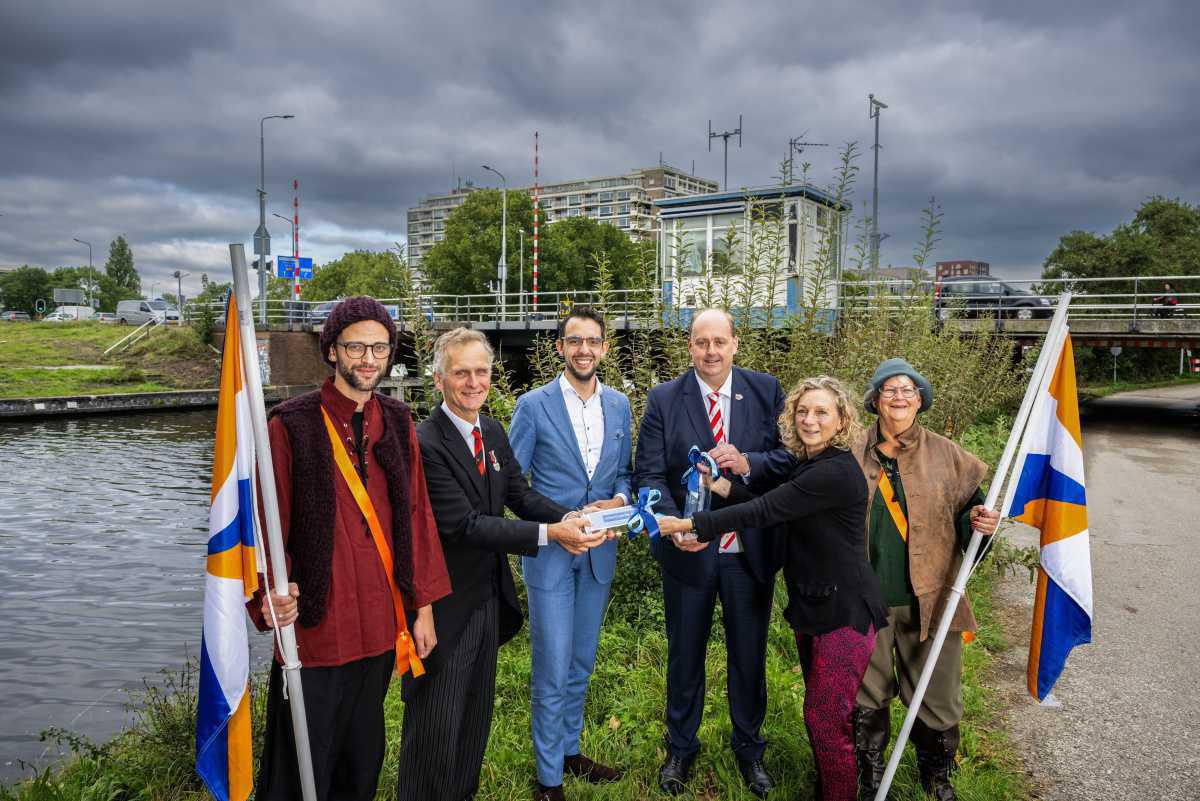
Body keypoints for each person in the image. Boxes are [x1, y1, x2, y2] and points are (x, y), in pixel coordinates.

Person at [249, 296, 452, 801]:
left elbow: (417, 516)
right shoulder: (290, 424)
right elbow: (265, 522)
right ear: (332, 351)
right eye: (356, 347)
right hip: (317, 629)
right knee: (300, 762)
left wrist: (423, 607)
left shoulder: (398, 420)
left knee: (361, 759)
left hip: (381, 624)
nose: (368, 359)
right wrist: (269, 594)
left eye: (379, 348)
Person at [658, 375, 890, 801]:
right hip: (817, 604)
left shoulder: (834, 471)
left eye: (821, 412)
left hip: (845, 611)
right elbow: (771, 504)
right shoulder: (811, 464)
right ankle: (830, 788)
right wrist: (717, 485)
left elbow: (765, 510)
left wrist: (691, 522)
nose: (809, 420)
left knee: (825, 718)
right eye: (802, 411)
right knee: (822, 714)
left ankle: (840, 794)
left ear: (842, 421)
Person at [397, 327, 604, 801]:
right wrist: (552, 535)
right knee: (435, 724)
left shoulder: (490, 431)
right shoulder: (424, 443)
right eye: (461, 373)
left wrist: (571, 517)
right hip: (443, 606)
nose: (474, 382)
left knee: (474, 717)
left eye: (482, 371)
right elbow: (464, 525)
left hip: (487, 597)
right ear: (438, 379)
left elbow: (519, 495)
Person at [633, 308, 793, 797]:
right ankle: (681, 748)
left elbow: (788, 459)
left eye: (719, 341)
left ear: (735, 344)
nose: (711, 351)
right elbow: (649, 474)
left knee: (749, 655)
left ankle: (750, 749)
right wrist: (673, 527)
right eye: (701, 342)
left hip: (748, 551)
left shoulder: (766, 391)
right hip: (688, 551)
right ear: (690, 346)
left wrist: (748, 462)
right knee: (685, 655)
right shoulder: (664, 399)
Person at [849, 358, 1000, 801]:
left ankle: (936, 776)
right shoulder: (849, 451)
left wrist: (981, 524)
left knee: (938, 694)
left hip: (932, 599)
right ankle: (871, 776)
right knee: (866, 693)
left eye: (908, 390)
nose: (899, 397)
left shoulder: (949, 455)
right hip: (865, 601)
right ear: (875, 400)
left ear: (920, 401)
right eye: (890, 389)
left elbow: (972, 518)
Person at [509, 307, 633, 801]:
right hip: (552, 557)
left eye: (593, 341)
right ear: (560, 347)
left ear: (604, 347)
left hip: (599, 554)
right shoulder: (532, 406)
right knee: (553, 666)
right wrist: (556, 525)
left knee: (581, 661)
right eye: (574, 340)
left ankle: (569, 750)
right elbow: (514, 486)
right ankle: (549, 779)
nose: (584, 349)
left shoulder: (620, 405)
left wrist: (619, 502)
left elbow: (625, 475)